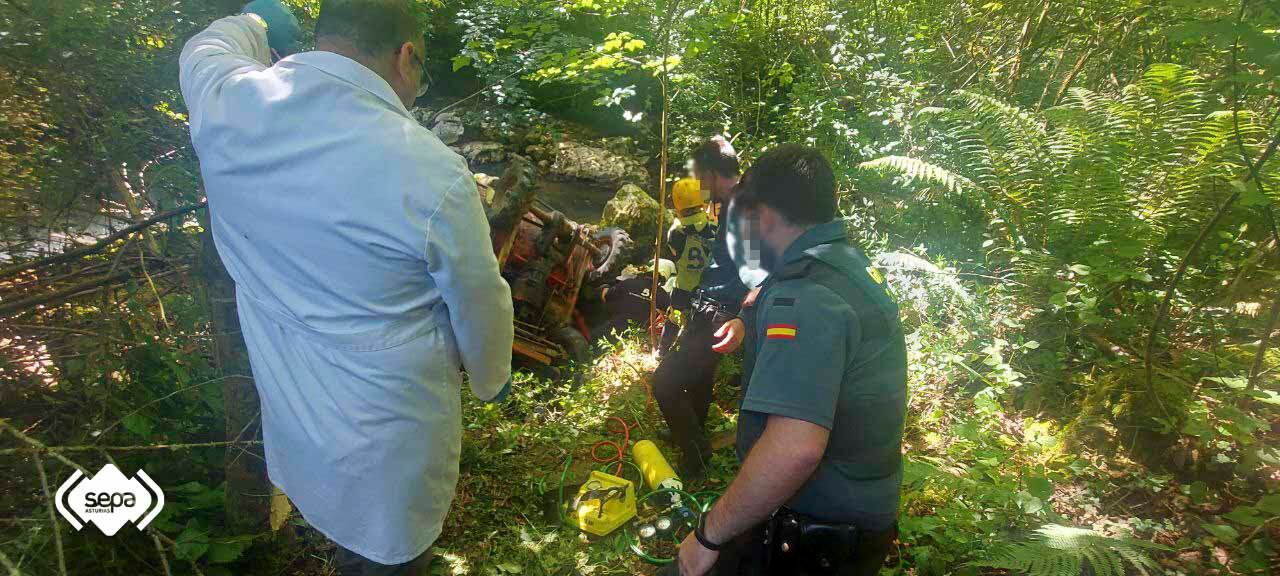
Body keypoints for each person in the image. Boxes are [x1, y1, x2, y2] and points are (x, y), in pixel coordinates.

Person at [179, 1, 514, 574]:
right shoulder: (430, 171)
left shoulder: (229, 104)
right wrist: (492, 377)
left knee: (339, 528)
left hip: (295, 414)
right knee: (386, 554)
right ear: (406, 57)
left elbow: (202, 49)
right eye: (422, 74)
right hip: (387, 436)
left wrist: (256, 26)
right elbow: (479, 300)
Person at [670, 145, 908, 576]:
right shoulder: (843, 264)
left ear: (763, 215)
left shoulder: (804, 297)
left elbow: (794, 449)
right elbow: (771, 290)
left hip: (818, 532)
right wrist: (746, 319)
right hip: (858, 512)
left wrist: (708, 535)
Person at [652, 137, 749, 479]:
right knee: (702, 374)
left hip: (718, 309)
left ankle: (695, 455)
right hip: (715, 305)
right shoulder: (735, 203)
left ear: (710, 173)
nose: (700, 186)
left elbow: (755, 265)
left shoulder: (741, 206)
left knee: (664, 382)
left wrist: (740, 310)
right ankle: (692, 429)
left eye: (700, 177)